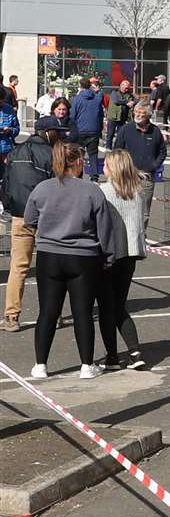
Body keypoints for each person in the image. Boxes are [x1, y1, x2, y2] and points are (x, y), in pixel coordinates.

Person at [24, 139, 124, 380]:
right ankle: (86, 365)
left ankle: (40, 364)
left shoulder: (42, 188)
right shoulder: (91, 190)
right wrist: (109, 256)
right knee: (82, 311)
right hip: (83, 257)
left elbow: (29, 219)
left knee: (48, 311)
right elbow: (104, 228)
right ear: (78, 162)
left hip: (49, 255)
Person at [2, 116, 65, 333]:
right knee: (49, 268)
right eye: (57, 131)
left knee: (18, 267)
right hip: (46, 216)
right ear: (47, 132)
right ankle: (52, 313)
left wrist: (10, 206)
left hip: (20, 214)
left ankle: (11, 316)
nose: (60, 135)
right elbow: (60, 186)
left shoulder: (15, 152)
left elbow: (6, 183)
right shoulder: (52, 154)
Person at [96, 149, 147, 370]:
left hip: (108, 253)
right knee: (118, 304)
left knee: (107, 307)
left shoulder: (103, 191)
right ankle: (133, 352)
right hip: (130, 253)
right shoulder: (137, 192)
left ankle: (113, 356)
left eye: (106, 164)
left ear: (113, 168)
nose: (103, 168)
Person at [109, 100, 165, 230]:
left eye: (142, 113)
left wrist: (153, 166)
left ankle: (141, 237)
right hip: (127, 177)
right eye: (137, 112)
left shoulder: (155, 132)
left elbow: (162, 152)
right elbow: (117, 151)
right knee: (124, 208)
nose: (138, 115)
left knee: (144, 212)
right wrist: (124, 169)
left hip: (146, 177)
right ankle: (124, 235)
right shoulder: (125, 130)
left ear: (149, 116)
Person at [69, 76, 105, 177]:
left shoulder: (77, 99)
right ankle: (94, 177)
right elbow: (100, 115)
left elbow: (73, 116)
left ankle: (79, 175)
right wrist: (100, 129)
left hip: (80, 130)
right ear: (90, 86)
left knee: (79, 155)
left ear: (80, 86)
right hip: (94, 130)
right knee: (93, 154)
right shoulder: (96, 99)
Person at [103, 79, 133, 153]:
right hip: (113, 117)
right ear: (121, 86)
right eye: (126, 87)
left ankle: (118, 149)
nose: (127, 89)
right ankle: (108, 149)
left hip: (122, 118)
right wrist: (127, 102)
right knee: (110, 134)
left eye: (128, 88)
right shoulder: (114, 93)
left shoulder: (129, 94)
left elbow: (136, 100)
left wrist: (133, 102)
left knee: (120, 135)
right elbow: (116, 101)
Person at [0, 92, 18, 183]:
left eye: (1, 101)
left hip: (6, 150)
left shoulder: (9, 109)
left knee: (7, 178)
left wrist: (10, 130)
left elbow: (17, 128)